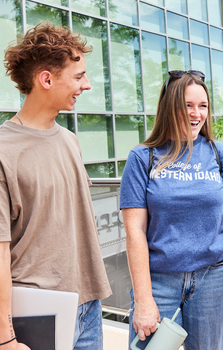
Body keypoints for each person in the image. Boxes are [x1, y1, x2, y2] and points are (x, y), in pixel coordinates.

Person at [120, 70, 223, 350]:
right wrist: (144, 299)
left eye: (203, 106)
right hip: (158, 282)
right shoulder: (142, 157)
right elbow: (135, 231)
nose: (196, 114)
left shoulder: (221, 154)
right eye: (188, 106)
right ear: (170, 108)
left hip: (213, 281)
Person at [0, 22, 111, 350]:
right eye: (78, 77)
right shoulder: (4, 151)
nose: (87, 85)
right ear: (46, 79)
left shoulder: (70, 141)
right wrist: (5, 338)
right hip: (34, 313)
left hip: (87, 305)